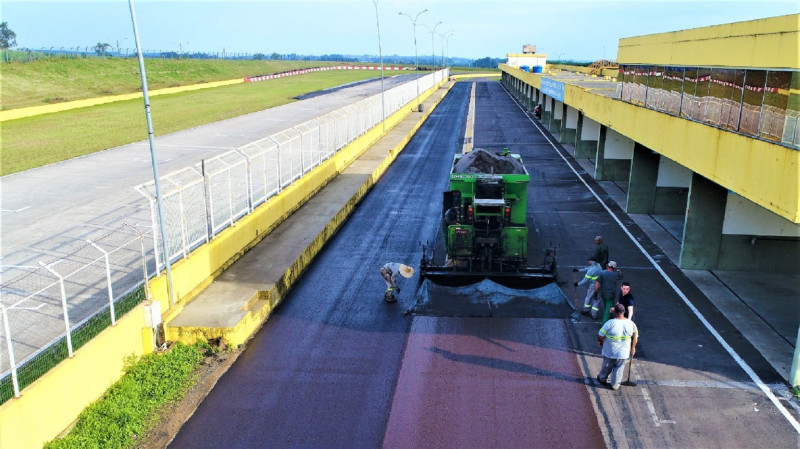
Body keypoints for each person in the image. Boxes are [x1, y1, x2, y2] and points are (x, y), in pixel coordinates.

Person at [597, 303, 638, 390]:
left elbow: (600, 335)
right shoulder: (631, 324)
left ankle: (602, 378)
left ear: (615, 312)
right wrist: (633, 348)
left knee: (607, 366)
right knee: (619, 368)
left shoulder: (610, 323)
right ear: (623, 312)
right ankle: (615, 385)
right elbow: (635, 338)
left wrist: (600, 341)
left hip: (610, 351)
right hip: (623, 353)